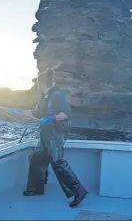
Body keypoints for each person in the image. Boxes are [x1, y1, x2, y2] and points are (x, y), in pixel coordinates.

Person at [21, 68, 88, 207]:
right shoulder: (44, 97)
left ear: (41, 83)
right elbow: (36, 113)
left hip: (55, 134)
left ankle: (79, 191)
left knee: (57, 163)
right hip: (45, 134)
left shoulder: (57, 94)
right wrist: (19, 112)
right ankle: (35, 189)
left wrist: (50, 119)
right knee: (37, 158)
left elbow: (66, 113)